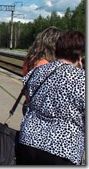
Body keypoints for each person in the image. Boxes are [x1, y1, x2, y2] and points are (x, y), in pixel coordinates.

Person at [16, 30, 85, 165]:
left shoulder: (38, 71)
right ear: (79, 55)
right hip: (64, 150)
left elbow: (27, 99)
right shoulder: (82, 79)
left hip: (28, 141)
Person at [22, 26, 62, 115]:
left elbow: (26, 88)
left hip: (29, 107)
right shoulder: (48, 65)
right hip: (43, 113)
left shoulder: (29, 61)